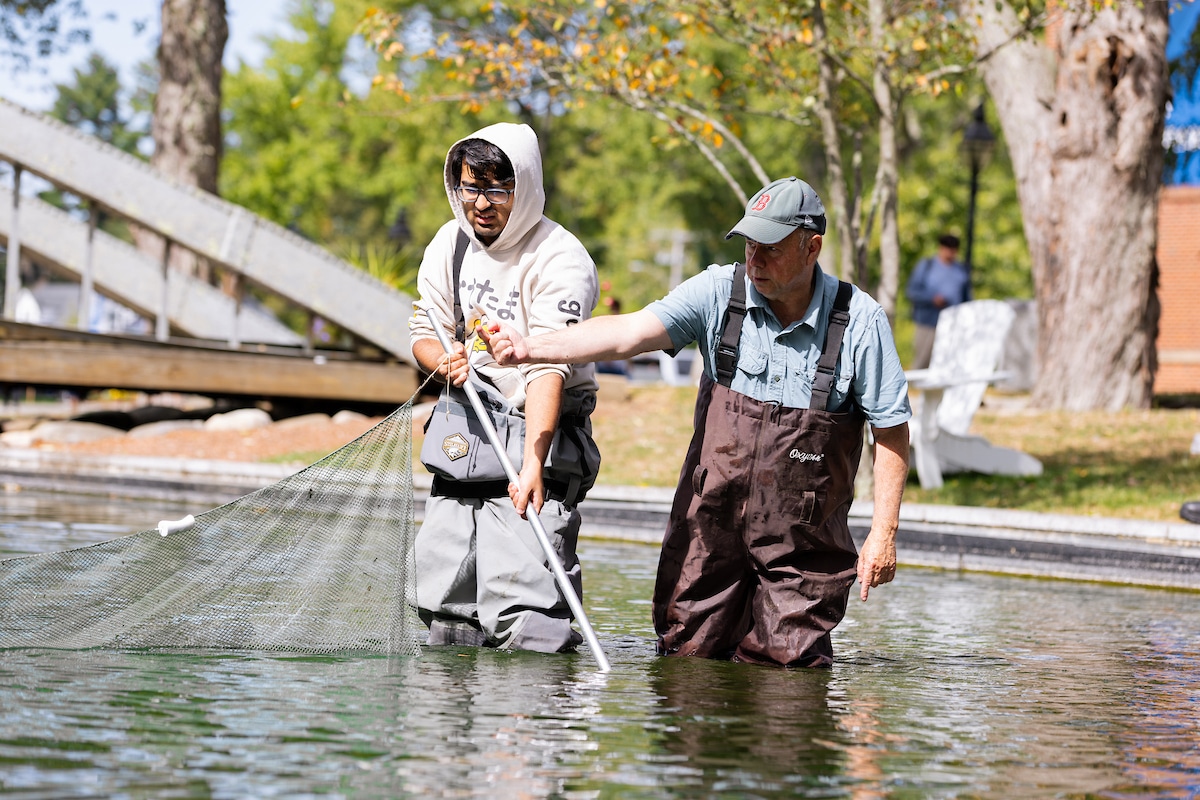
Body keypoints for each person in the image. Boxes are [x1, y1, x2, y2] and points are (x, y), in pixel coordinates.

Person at [482, 176, 912, 668]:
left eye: (770, 249)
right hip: (707, 534)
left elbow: (892, 430)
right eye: (750, 244)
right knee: (686, 666)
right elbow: (627, 332)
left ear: (812, 247)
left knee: (789, 684)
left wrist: (884, 532)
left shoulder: (860, 322)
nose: (755, 260)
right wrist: (529, 347)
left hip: (801, 554)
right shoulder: (717, 291)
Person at [407, 122, 601, 653]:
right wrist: (442, 361)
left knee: (525, 611)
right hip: (464, 430)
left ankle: (528, 728)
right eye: (471, 187)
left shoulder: (560, 258)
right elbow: (425, 330)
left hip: (538, 432)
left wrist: (536, 463)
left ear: (527, 186)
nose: (482, 203)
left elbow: (548, 370)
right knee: (447, 609)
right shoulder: (449, 244)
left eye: (497, 189)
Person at [906, 233, 971, 369]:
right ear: (940, 247)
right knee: (923, 360)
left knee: (949, 362)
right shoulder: (927, 266)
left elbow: (967, 297)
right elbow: (912, 291)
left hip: (954, 324)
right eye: (948, 248)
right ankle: (914, 389)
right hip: (928, 322)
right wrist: (932, 299)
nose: (950, 252)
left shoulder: (961, 270)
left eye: (954, 249)